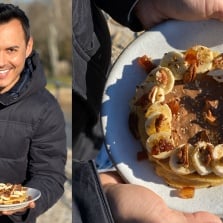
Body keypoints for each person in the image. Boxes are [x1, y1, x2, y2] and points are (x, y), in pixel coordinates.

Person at [73, 0, 223, 222]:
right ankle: (96, 163)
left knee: (91, 142)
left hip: (87, 70)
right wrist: (92, 198)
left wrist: (143, 2)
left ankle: (95, 162)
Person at [0, 3, 67, 223]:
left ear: (28, 47)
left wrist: (20, 205)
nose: (1, 62)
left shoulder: (45, 110)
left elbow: (50, 176)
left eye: (11, 50)